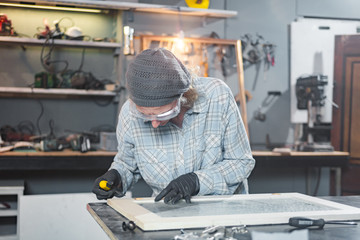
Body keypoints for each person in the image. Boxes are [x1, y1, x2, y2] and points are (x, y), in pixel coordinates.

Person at [92, 48, 255, 204]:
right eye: (146, 116)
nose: (154, 124)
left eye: (162, 114)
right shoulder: (129, 113)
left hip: (224, 214)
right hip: (169, 215)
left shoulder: (217, 96)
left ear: (181, 97)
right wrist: (117, 176)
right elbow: (127, 164)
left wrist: (197, 181)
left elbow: (241, 162)